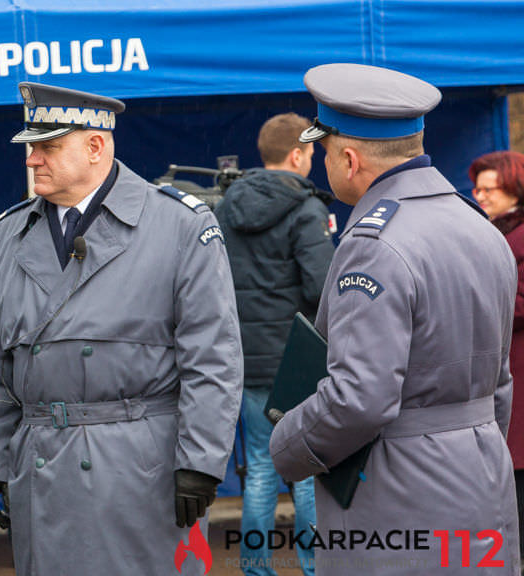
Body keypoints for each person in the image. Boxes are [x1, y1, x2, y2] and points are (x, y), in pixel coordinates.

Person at [0, 82, 243, 575]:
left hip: (140, 467)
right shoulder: (8, 233)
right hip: (42, 465)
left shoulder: (177, 225)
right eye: (31, 147)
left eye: (48, 146)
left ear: (95, 146)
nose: (32, 160)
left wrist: (200, 461)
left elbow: (213, 355)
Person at [269, 63, 521, 575]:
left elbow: (361, 398)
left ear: (349, 158)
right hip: (482, 481)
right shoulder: (478, 227)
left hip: (397, 492)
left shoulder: (374, 245)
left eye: (325, 152)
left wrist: (286, 445)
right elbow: (499, 384)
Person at [214, 112, 333, 576]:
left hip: (246, 359)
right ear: (299, 154)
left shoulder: (225, 206)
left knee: (262, 469)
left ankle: (257, 570)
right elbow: (324, 289)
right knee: (307, 473)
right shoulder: (308, 209)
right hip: (298, 362)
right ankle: (314, 568)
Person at [469, 150, 524, 566]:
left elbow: (517, 303)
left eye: (489, 189)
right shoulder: (497, 234)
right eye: (478, 188)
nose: (480, 196)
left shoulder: (516, 237)